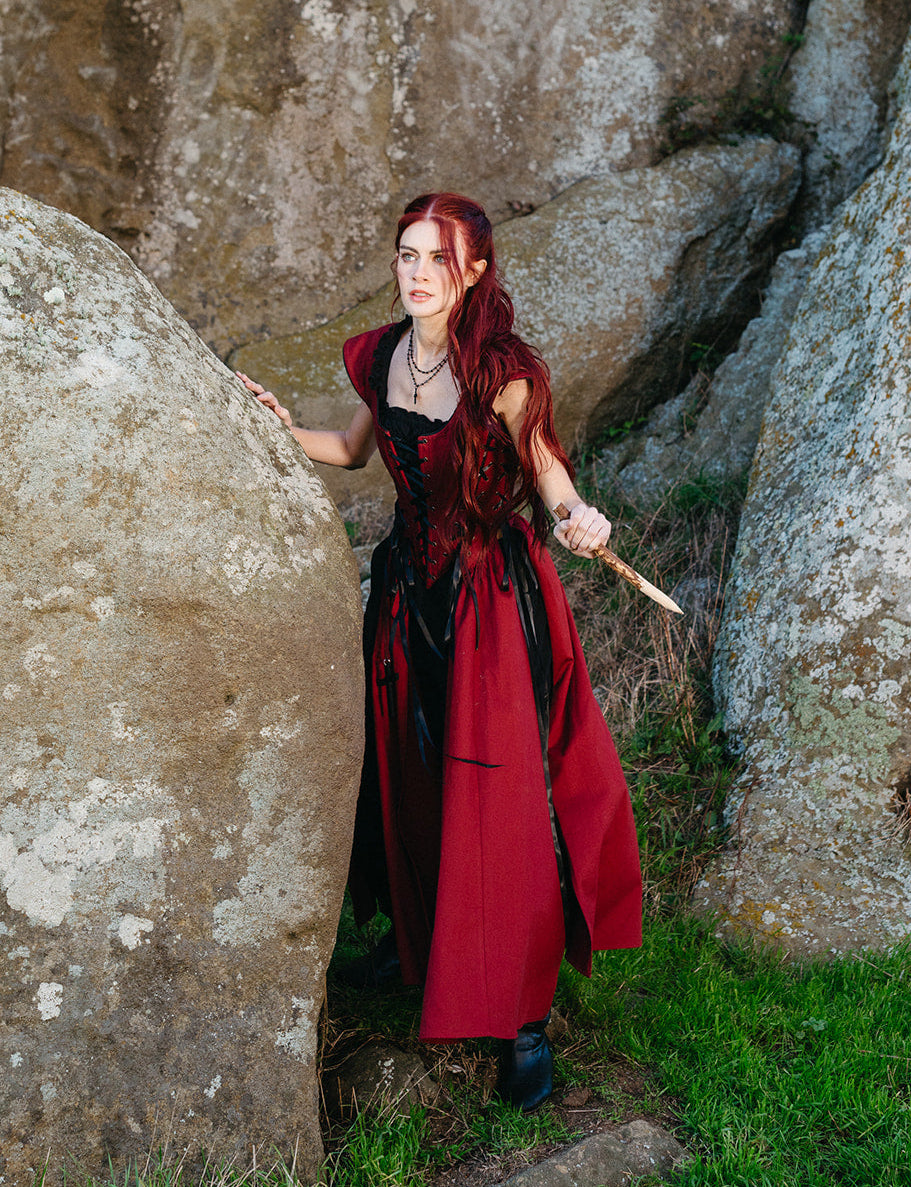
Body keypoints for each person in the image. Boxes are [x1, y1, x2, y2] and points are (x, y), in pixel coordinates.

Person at [237, 192, 641, 1111]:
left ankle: (521, 1014)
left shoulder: (503, 373)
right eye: (406, 255)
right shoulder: (384, 355)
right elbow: (346, 449)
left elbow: (546, 473)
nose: (417, 273)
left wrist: (578, 516)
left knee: (495, 793)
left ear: (475, 273)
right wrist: (270, 423)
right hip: (409, 596)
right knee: (412, 776)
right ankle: (426, 948)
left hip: (490, 601)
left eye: (437, 259)